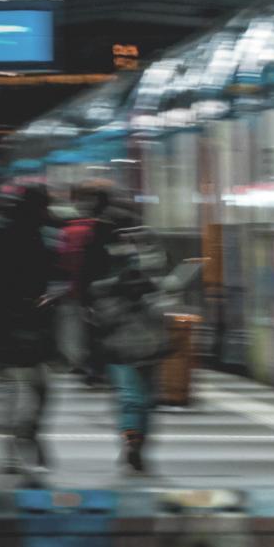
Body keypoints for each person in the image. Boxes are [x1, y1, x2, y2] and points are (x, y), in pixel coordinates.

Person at [87, 200, 174, 473]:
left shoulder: (103, 253)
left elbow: (93, 296)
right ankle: (135, 444)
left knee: (132, 398)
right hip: (144, 339)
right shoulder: (150, 250)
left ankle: (132, 442)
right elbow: (165, 293)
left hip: (123, 340)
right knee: (142, 399)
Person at [0, 183, 56, 477]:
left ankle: (14, 449)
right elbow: (39, 278)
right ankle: (27, 435)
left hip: (9, 324)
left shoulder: (10, 231)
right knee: (39, 388)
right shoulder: (32, 236)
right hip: (22, 324)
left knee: (12, 391)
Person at [59, 180, 114, 388]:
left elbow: (85, 262)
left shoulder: (90, 228)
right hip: (102, 288)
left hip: (91, 288)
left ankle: (93, 368)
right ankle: (98, 368)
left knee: (91, 330)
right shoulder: (108, 227)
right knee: (99, 329)